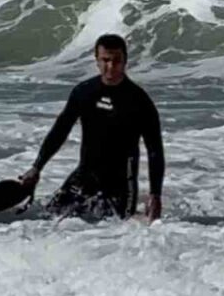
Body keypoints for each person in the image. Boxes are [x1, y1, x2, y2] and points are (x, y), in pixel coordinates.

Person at [19, 34, 165, 222]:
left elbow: (155, 151)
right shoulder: (84, 92)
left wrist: (156, 195)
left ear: (125, 61)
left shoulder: (139, 101)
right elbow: (60, 130)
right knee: (47, 218)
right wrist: (37, 167)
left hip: (121, 183)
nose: (111, 66)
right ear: (96, 60)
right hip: (85, 174)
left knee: (116, 231)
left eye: (116, 60)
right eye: (105, 60)